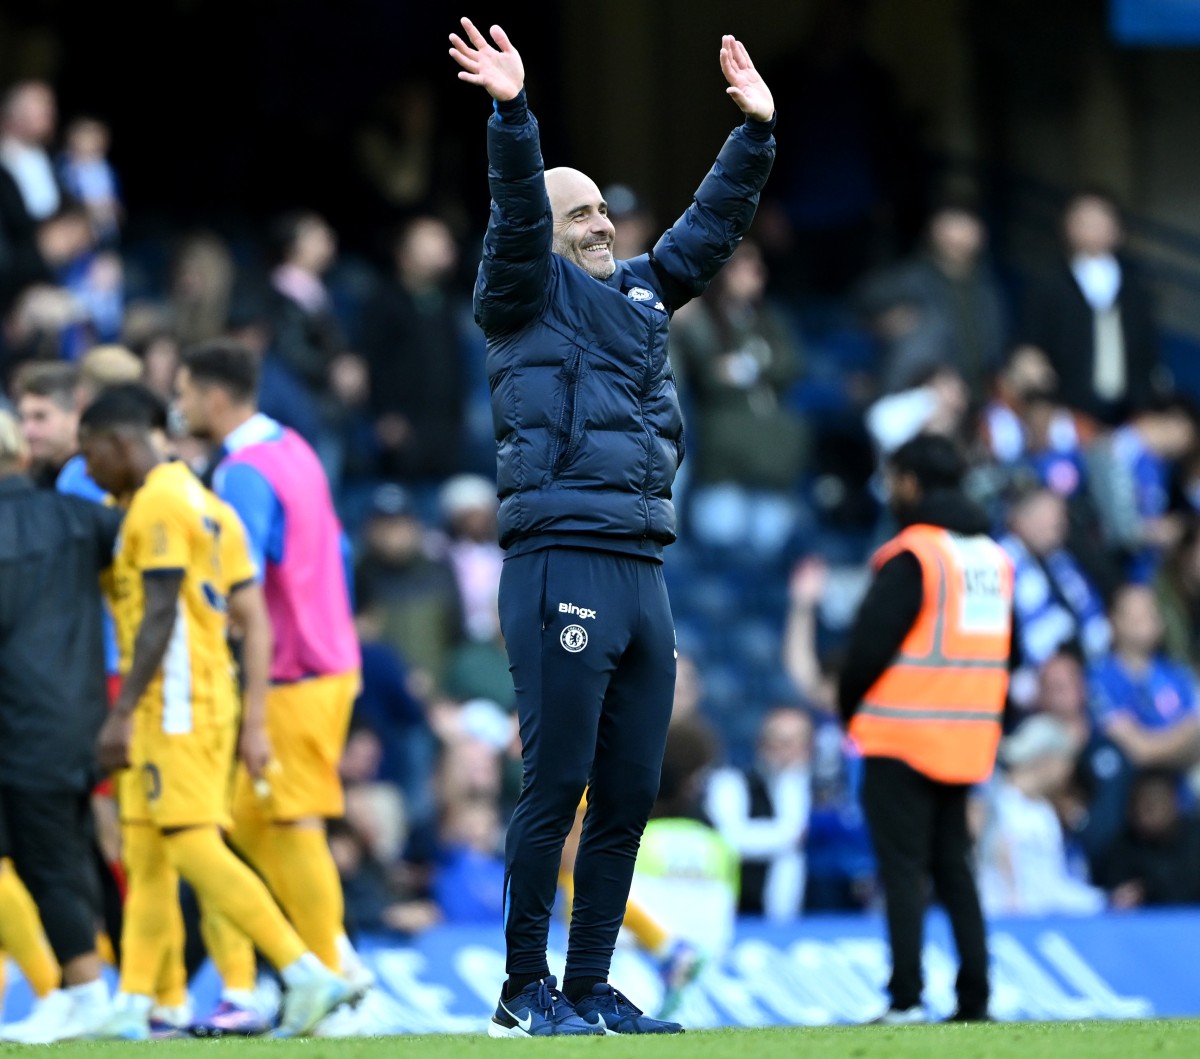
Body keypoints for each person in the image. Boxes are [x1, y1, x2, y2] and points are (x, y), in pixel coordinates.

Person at [449, 16, 776, 1037]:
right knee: (555, 785)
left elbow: (707, 233)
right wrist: (515, 115)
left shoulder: (639, 292)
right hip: (559, 556)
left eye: (602, 211)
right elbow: (514, 208)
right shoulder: (519, 293)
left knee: (629, 791)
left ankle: (587, 986)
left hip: (643, 561)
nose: (601, 224)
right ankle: (519, 990)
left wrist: (754, 136)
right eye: (581, 212)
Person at [77, 385, 356, 1038]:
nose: (88, 471)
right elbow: (246, 612)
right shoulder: (205, 500)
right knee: (146, 855)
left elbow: (160, 613)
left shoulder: (162, 504)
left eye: (91, 455)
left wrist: (119, 716)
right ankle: (137, 998)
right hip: (181, 701)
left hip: (176, 703)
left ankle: (304, 970)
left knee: (193, 844)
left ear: (120, 441)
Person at [173, 341, 368, 1033]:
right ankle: (309, 968)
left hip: (291, 673)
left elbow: (239, 586)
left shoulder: (240, 474)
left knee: (293, 821)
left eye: (186, 391)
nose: (181, 404)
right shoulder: (296, 449)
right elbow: (338, 552)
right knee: (246, 826)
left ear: (215, 398)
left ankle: (335, 974)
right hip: (328, 659)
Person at [838, 433, 1014, 1024]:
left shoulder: (915, 554)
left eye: (895, 478)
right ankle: (975, 999)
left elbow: (867, 648)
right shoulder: (992, 558)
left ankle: (907, 997)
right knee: (955, 870)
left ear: (911, 481)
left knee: (903, 870)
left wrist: (848, 709)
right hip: (967, 739)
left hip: (902, 735)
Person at [0, 410, 123, 1043]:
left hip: (18, 723)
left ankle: (80, 992)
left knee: (48, 865)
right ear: (22, 457)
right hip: (81, 716)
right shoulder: (77, 518)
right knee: (64, 860)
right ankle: (78, 993)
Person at [1019, 189, 1162, 426]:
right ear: (1066, 226)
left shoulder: (1137, 289)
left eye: (1101, 219)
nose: (1092, 227)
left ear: (1118, 229)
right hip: (1064, 411)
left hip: (1128, 413)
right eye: (1083, 220)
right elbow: (1032, 343)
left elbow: (1148, 351)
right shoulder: (1048, 284)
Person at [704, 707, 813, 921]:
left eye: (795, 741)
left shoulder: (823, 790)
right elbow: (729, 839)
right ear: (761, 743)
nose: (785, 750)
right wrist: (793, 835)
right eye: (777, 740)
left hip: (824, 918)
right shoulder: (733, 782)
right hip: (744, 915)